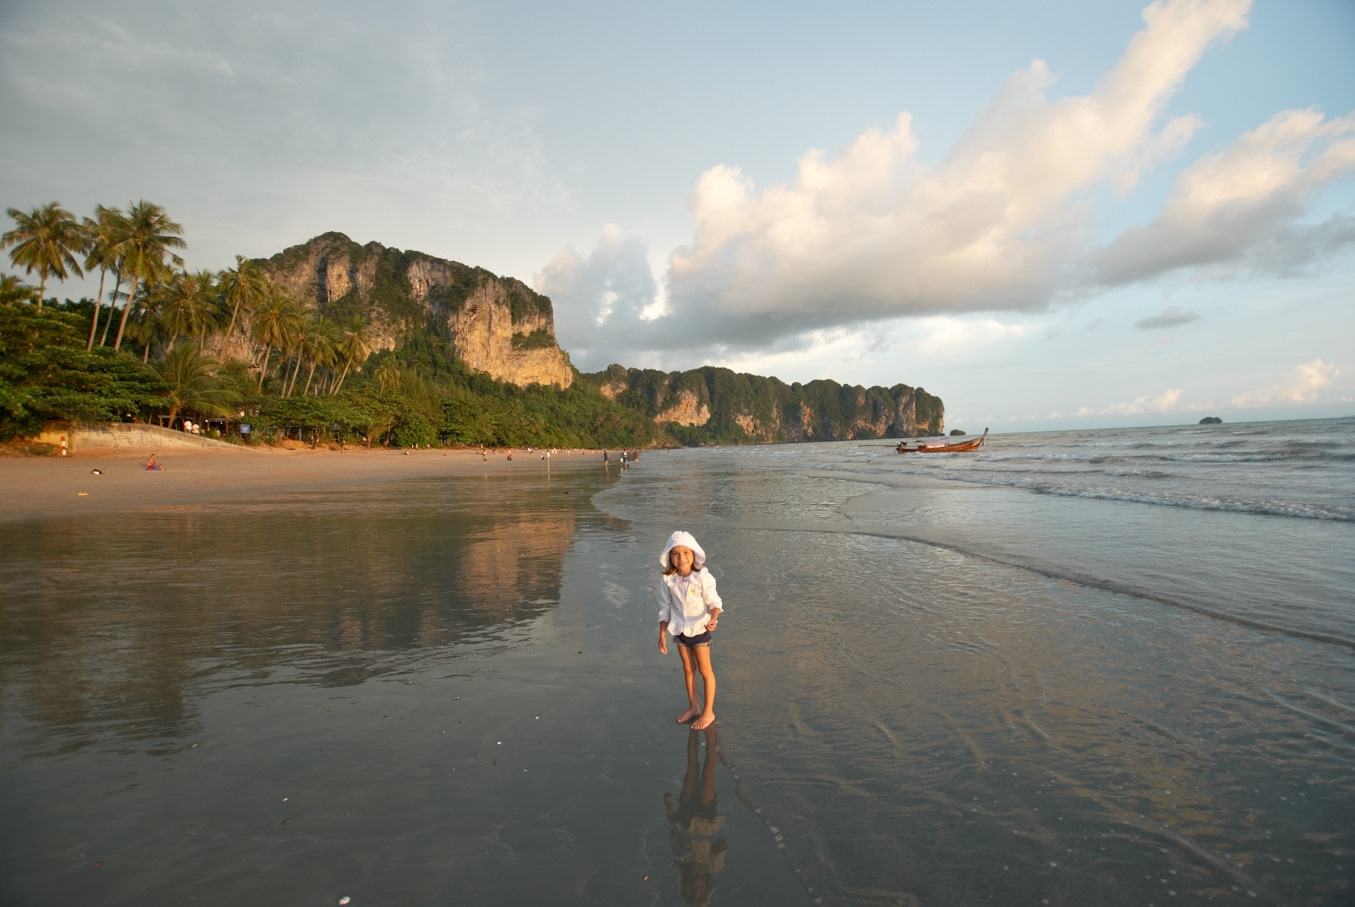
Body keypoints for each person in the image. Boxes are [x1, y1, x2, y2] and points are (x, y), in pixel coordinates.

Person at [657, 531, 723, 730]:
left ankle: (708, 711)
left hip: (700, 628)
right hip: (680, 630)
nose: (681, 558)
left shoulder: (703, 577)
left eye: (686, 553)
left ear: (694, 554)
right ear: (670, 557)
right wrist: (661, 634)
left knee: (705, 670)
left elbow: (715, 601)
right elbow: (664, 607)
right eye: (676, 554)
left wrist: (713, 618)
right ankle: (693, 707)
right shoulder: (669, 580)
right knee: (688, 668)